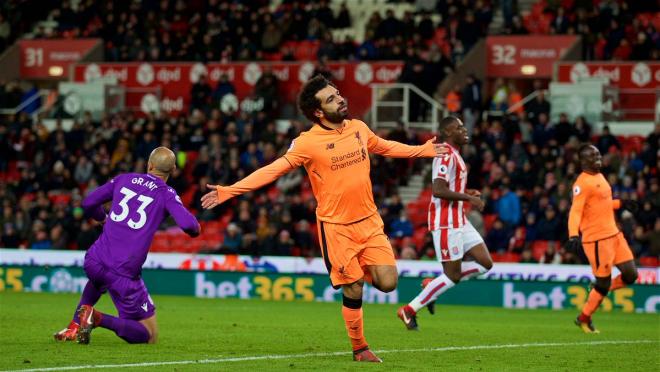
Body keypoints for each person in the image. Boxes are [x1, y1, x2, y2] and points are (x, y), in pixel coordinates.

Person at [200, 75, 447, 363]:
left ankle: (356, 271)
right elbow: (274, 169)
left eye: (338, 94)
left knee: (389, 283)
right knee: (353, 287)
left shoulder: (358, 128)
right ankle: (360, 348)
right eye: (331, 98)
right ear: (318, 112)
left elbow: (385, 146)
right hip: (336, 227)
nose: (340, 99)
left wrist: (424, 150)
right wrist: (230, 191)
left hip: (369, 221)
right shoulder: (307, 143)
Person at [54, 147, 200, 344]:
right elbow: (190, 226)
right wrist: (194, 226)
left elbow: (88, 203)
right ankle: (97, 318)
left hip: (94, 260)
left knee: (98, 281)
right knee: (148, 335)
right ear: (172, 169)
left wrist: (102, 218)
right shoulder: (166, 193)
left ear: (149, 164)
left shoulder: (124, 179)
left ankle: (73, 327)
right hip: (122, 271)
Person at [397, 116, 493, 330]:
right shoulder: (445, 154)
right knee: (452, 276)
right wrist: (469, 199)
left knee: (485, 263)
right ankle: (409, 310)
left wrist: (466, 192)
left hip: (459, 219)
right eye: (459, 128)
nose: (464, 130)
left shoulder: (455, 154)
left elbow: (449, 186)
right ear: (448, 133)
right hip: (445, 222)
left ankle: (434, 284)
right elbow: (438, 190)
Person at [566, 144, 638, 333]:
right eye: (592, 155)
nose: (597, 157)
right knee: (604, 284)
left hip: (614, 234)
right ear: (583, 161)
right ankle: (584, 318)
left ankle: (597, 288)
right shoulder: (582, 184)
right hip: (597, 240)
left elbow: (601, 204)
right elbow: (576, 211)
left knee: (631, 275)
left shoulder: (599, 176)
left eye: (598, 153)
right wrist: (573, 234)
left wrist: (621, 203)